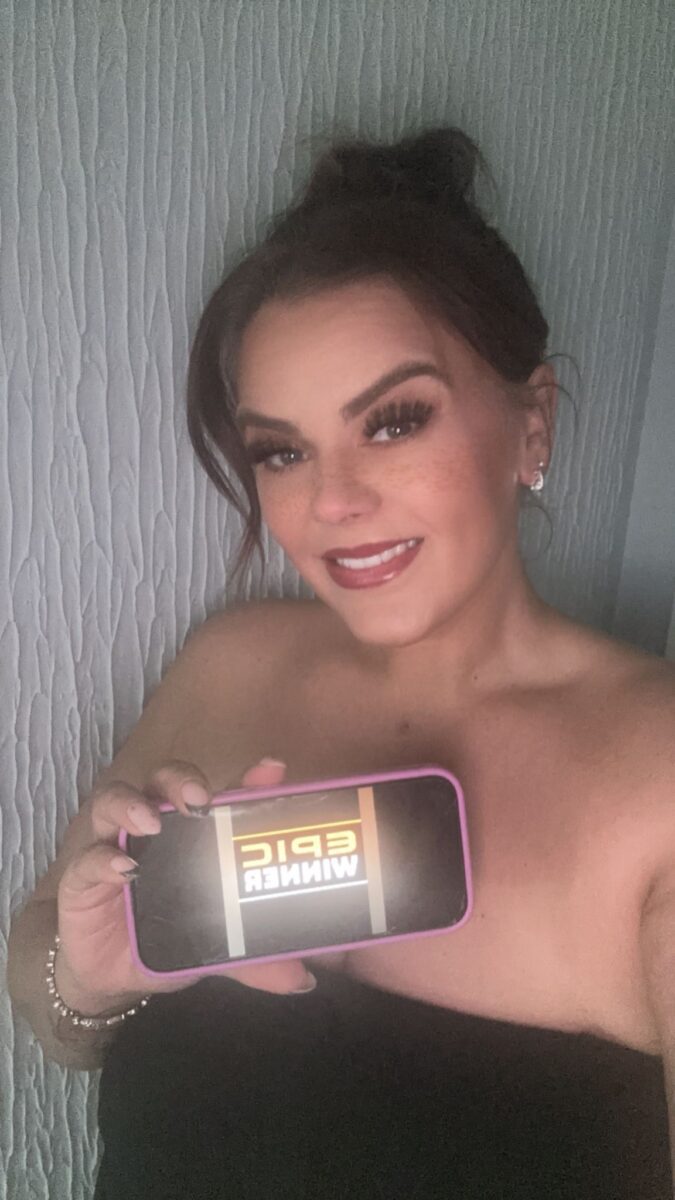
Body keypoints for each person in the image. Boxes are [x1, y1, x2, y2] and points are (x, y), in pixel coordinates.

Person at [8, 126, 675, 1199]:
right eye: (282, 450)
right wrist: (87, 977)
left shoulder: (657, 776)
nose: (332, 501)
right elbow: (51, 1005)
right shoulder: (230, 666)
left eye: (395, 422)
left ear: (532, 422)